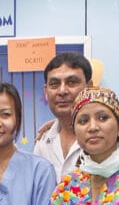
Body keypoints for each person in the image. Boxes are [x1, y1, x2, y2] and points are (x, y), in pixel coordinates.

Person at [34, 52, 91, 180]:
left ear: (89, 87)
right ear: (46, 92)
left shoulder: (117, 137)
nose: (62, 91)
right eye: (54, 84)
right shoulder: (43, 142)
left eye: (71, 82)